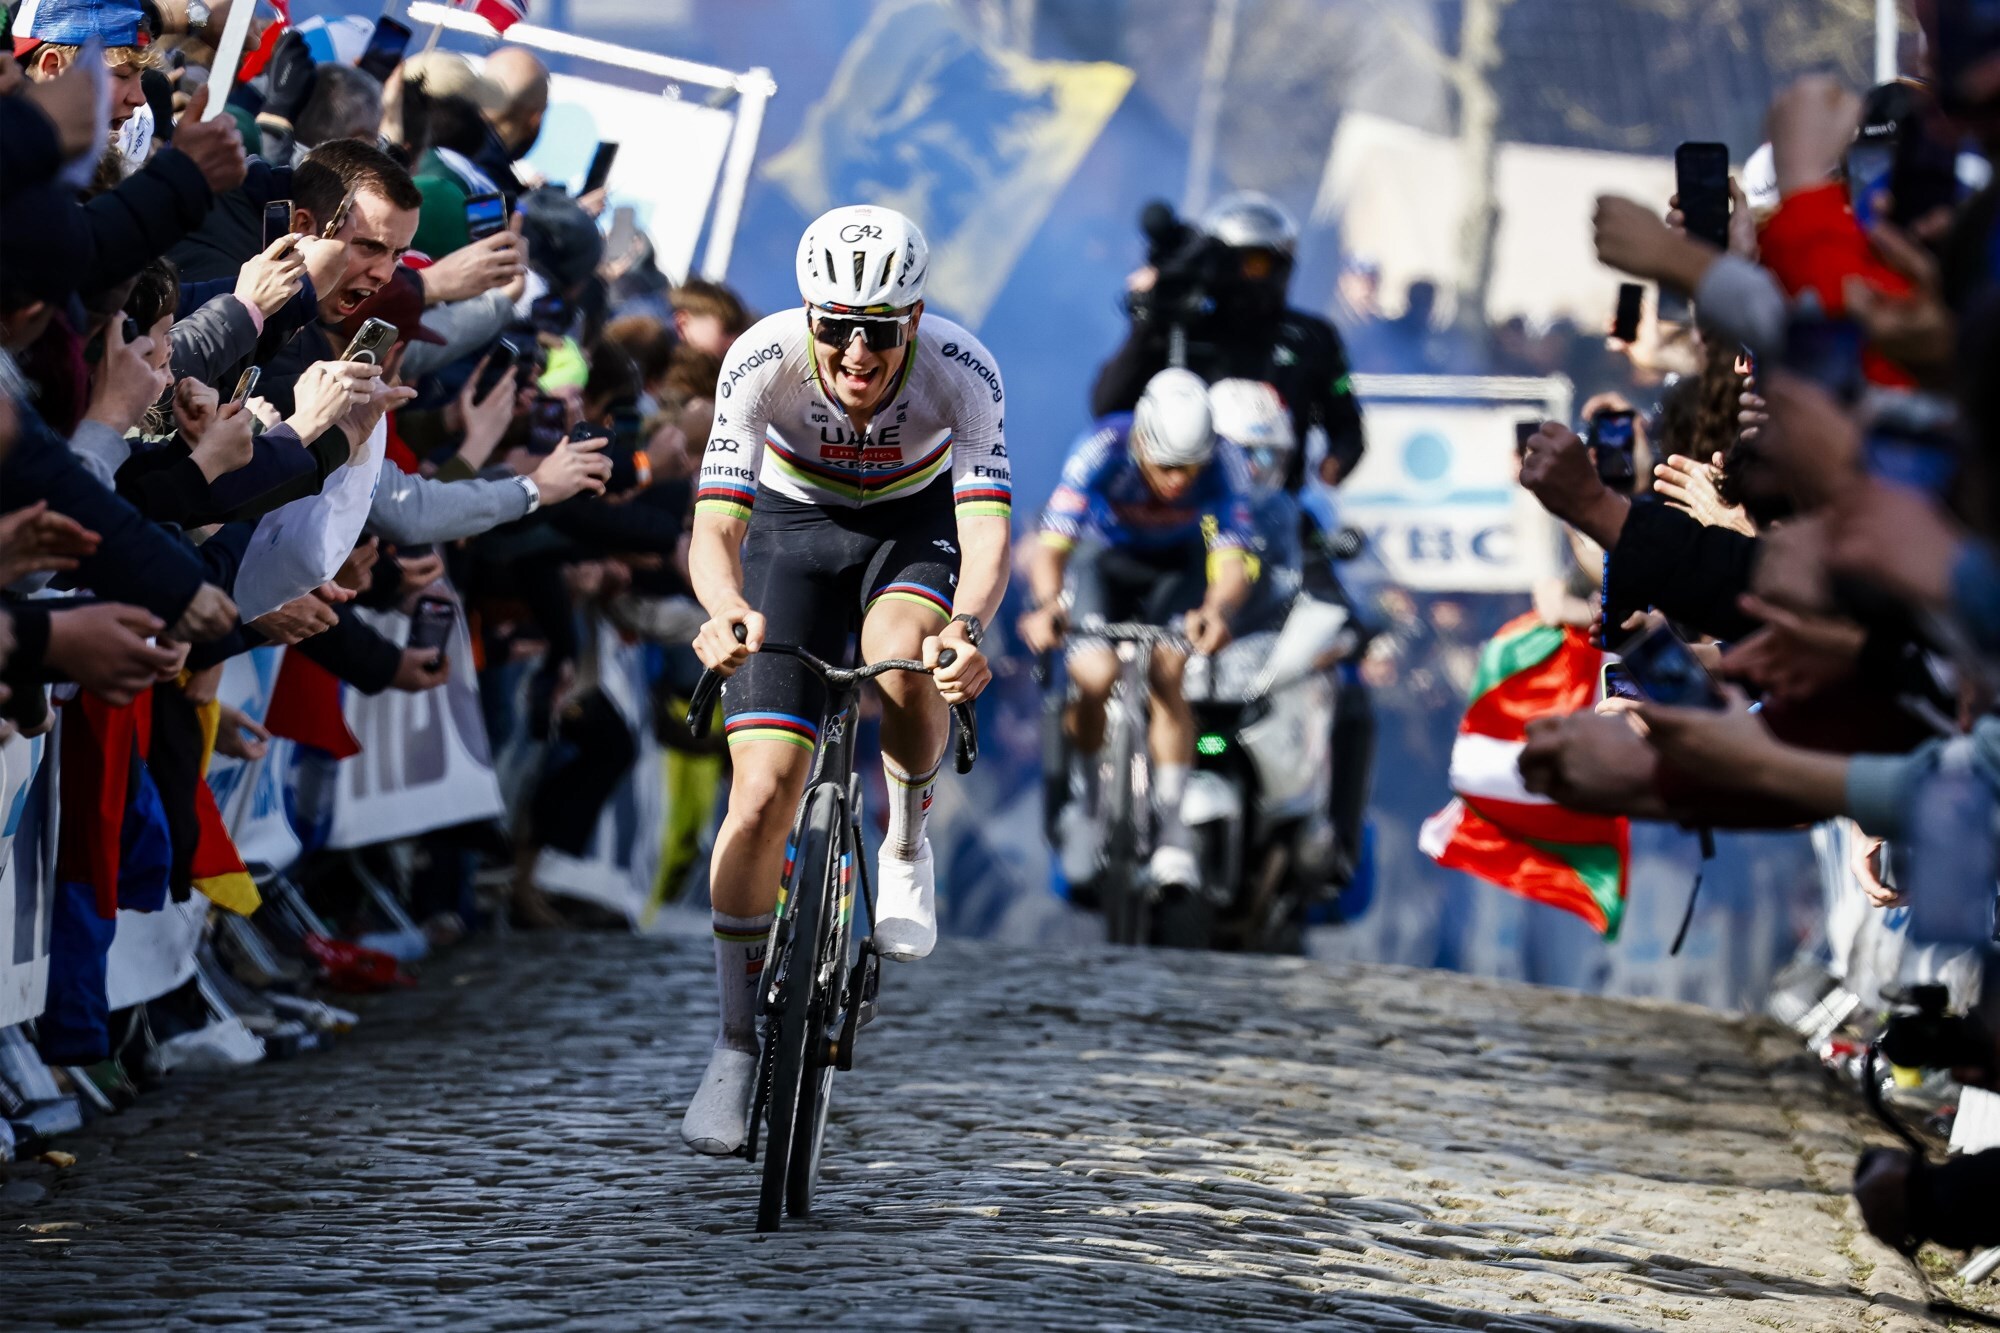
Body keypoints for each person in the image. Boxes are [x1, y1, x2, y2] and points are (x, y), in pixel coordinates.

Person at [678, 205, 1009, 1156]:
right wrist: (723, 609)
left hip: (912, 530)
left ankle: (906, 839)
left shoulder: (964, 367)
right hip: (792, 528)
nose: (858, 352)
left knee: (905, 653)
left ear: (915, 321)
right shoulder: (761, 356)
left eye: (882, 329)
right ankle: (736, 1045)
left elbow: (987, 529)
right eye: (838, 325)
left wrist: (970, 626)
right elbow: (716, 528)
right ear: (809, 315)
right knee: (760, 798)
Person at [1018, 368, 1255, 893]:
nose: (1178, 481)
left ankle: (1172, 831)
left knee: (1170, 674)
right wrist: (1046, 606)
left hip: (1178, 565)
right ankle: (1084, 807)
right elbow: (1053, 546)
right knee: (1095, 674)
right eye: (1167, 466)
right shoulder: (1103, 446)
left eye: (1190, 468)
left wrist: (1217, 612)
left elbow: (1232, 561)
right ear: (1142, 440)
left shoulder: (1225, 462)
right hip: (1105, 560)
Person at [1091, 191, 1366, 487]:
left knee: (1337, 534)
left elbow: (1347, 427)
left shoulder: (1314, 338)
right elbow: (1108, 406)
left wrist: (1335, 464)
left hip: (1275, 507)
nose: (1246, 275)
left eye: (1257, 263)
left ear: (1282, 262)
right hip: (1194, 509)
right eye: (1237, 263)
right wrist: (1146, 326)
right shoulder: (1182, 329)